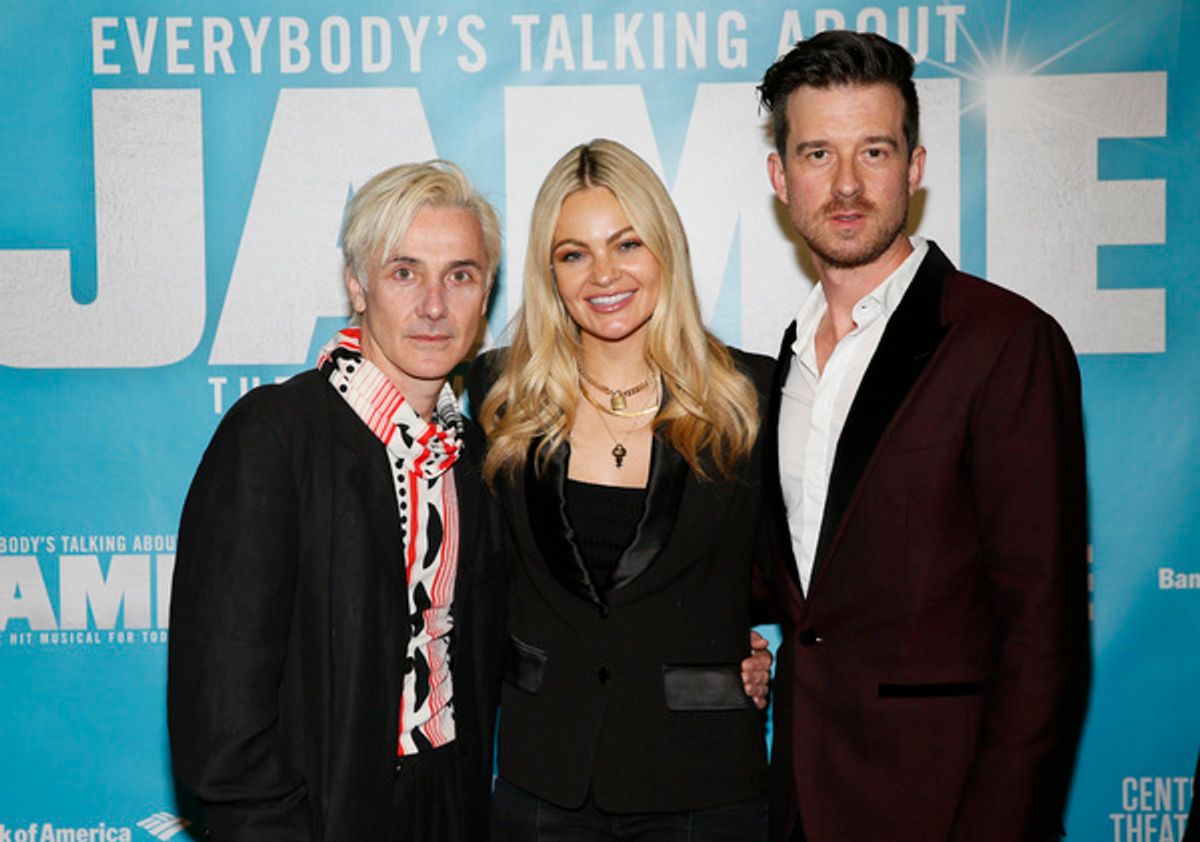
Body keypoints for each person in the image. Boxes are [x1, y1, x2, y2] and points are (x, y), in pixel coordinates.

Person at [757, 30, 1090, 842]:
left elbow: (1043, 634)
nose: (844, 184)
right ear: (779, 177)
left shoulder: (1003, 341)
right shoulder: (787, 359)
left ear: (914, 166)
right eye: (816, 154)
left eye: (872, 151)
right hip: (799, 801)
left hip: (942, 809)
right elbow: (804, 586)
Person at [168, 161, 507, 840]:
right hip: (317, 817)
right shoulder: (275, 436)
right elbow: (220, 715)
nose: (434, 305)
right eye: (404, 272)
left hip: (450, 803)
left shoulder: (473, 454)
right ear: (357, 284)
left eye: (460, 275)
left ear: (486, 291)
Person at [470, 138, 773, 841]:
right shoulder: (498, 392)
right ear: (550, 273)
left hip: (705, 786)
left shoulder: (749, 396)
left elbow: (800, 577)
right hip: (544, 777)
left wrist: (754, 653)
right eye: (573, 253)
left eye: (627, 243)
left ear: (664, 248)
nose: (603, 274)